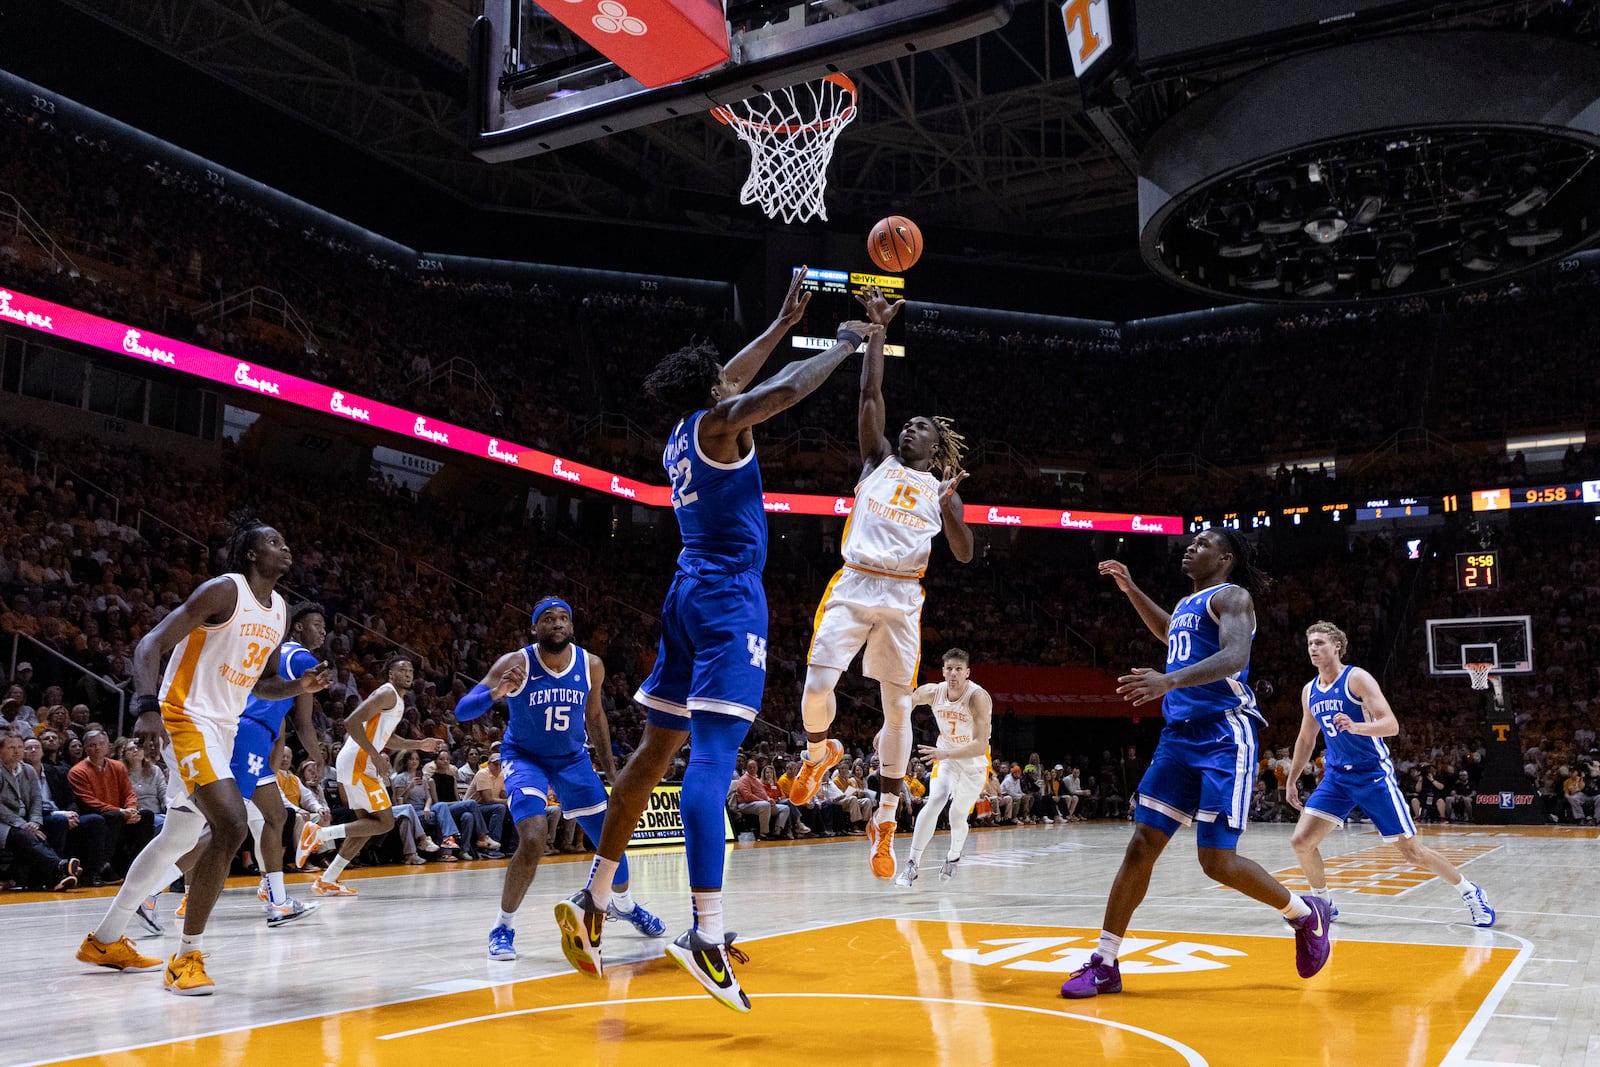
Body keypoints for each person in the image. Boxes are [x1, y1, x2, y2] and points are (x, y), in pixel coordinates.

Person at [554, 268, 881, 1012]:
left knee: (654, 750)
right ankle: (706, 934)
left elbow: (736, 375)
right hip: (729, 598)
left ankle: (596, 893)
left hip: (685, 593)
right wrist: (838, 341)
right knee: (710, 759)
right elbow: (783, 392)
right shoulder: (721, 421)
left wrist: (778, 320)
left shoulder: (683, 430)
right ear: (713, 392)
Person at [1062, 531, 1332, 1000]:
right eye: (1189, 542)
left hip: (1223, 735)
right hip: (1178, 737)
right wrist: (1131, 591)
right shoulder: (1191, 603)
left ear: (1224, 558)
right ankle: (1105, 962)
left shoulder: (1233, 596)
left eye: (1202, 543)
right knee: (1141, 845)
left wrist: (1167, 680)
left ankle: (1305, 915)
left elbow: (1234, 657)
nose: (1189, 547)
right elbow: (1172, 634)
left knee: (1216, 862)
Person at [76, 518, 330, 994]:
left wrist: (299, 686)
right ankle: (186, 956)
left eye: (285, 539)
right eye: (274, 541)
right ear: (251, 554)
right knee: (232, 824)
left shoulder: (279, 610)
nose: (286, 547)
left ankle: (106, 939)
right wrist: (146, 707)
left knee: (178, 838)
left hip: (225, 726)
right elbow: (151, 643)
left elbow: (262, 684)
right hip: (184, 716)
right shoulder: (223, 592)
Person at [788, 285, 974, 880]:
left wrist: (949, 508)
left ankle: (886, 818)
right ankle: (820, 754)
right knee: (817, 682)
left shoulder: (942, 492)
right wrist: (876, 332)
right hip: (854, 583)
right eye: (909, 424)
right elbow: (871, 393)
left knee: (898, 709)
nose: (911, 429)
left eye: (922, 428)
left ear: (937, 447)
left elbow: (966, 555)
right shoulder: (878, 462)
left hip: (902, 597)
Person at [456, 597, 663, 962]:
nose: (557, 623)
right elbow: (463, 710)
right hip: (525, 758)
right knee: (534, 840)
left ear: (571, 626)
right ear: (534, 628)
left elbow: (595, 717)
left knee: (611, 839)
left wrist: (611, 767)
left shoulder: (591, 664)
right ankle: (503, 926)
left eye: (563, 618)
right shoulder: (515, 662)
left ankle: (625, 906)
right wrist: (497, 692)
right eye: (548, 618)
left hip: (573, 760)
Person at [1286, 621, 1494, 927]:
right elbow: (1306, 739)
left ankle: (1470, 891)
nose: (1313, 649)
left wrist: (1357, 727)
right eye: (1310, 644)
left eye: (1319, 643)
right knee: (1301, 841)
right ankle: (1324, 902)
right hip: (1336, 777)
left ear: (1336, 646)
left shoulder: (1357, 679)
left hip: (1372, 775)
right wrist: (1291, 779)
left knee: (1411, 851)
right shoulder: (1310, 691)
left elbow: (1391, 725)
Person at [295, 655, 442, 893]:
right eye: (402, 670)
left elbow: (388, 738)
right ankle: (319, 833)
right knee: (384, 822)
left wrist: (419, 744)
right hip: (359, 761)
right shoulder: (387, 693)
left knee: (367, 825)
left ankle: (328, 879)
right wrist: (374, 754)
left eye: (411, 671)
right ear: (391, 674)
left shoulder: (398, 701)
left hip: (360, 761)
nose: (408, 674)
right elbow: (351, 722)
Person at [231, 601, 326, 925]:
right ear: (298, 627)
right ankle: (151, 893)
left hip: (250, 733)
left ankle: (279, 901)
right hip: (249, 737)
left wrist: (276, 742)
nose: (323, 632)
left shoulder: (274, 652)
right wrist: (317, 756)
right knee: (219, 827)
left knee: (275, 816)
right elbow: (304, 721)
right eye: (317, 625)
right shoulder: (302, 658)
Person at [895, 648, 992, 887]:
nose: (953, 674)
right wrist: (885, 729)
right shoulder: (933, 691)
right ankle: (912, 864)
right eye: (949, 668)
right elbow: (901, 705)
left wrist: (946, 752)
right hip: (946, 758)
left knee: (957, 816)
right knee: (936, 798)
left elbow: (980, 745)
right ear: (943, 671)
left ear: (967, 672)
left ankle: (953, 856)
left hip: (973, 764)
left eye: (959, 669)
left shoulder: (978, 697)